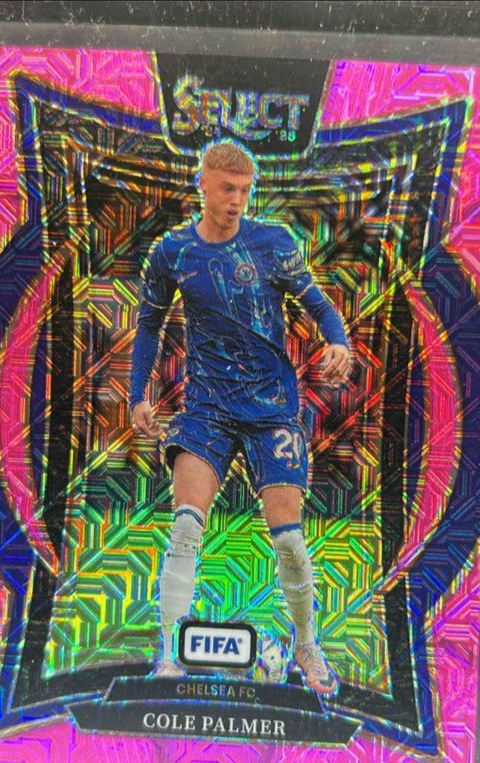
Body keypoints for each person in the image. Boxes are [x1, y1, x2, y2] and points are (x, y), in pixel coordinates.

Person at [130, 141, 351, 692]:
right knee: (185, 526)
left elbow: (320, 305)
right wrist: (138, 394)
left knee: (289, 539)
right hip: (207, 408)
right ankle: (170, 651)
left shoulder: (273, 243)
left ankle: (307, 645)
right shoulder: (172, 252)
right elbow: (150, 326)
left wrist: (338, 342)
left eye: (245, 191)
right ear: (202, 184)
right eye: (227, 188)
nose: (236, 200)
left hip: (271, 408)